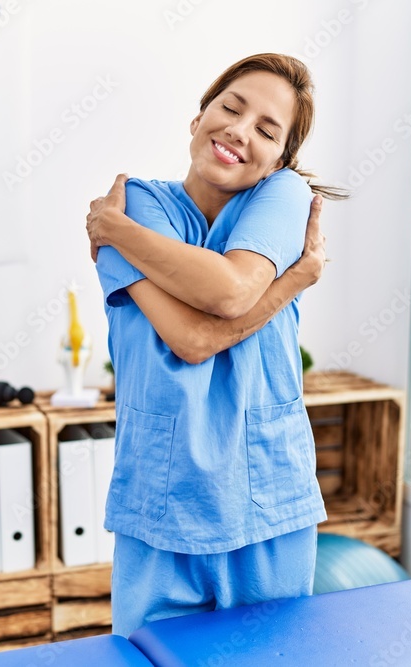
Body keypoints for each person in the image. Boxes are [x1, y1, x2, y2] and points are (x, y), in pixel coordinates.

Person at [86, 53, 346, 637]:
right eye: (231, 108)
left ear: (281, 160)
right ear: (199, 116)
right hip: (161, 500)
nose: (240, 130)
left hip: (267, 496)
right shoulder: (141, 200)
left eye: (266, 129)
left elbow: (227, 296)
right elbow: (192, 339)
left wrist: (115, 231)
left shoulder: (281, 197)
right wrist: (292, 280)